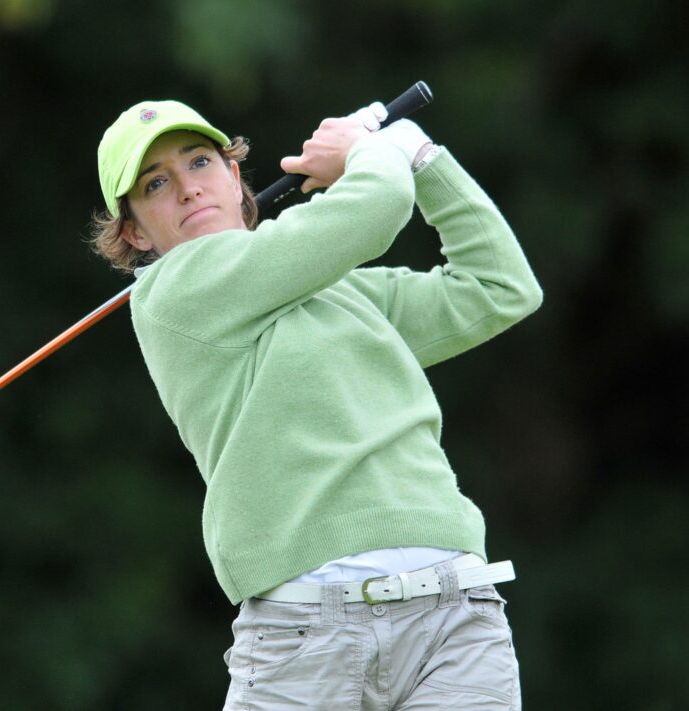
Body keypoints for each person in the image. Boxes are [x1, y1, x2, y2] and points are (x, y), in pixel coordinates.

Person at [91, 97, 542, 709]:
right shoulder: (176, 292)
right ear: (136, 232)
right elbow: (377, 206)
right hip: (304, 637)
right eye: (157, 183)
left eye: (200, 162)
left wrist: (423, 157)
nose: (189, 189)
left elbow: (498, 288)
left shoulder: (342, 290)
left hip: (454, 620)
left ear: (234, 178)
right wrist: (367, 152)